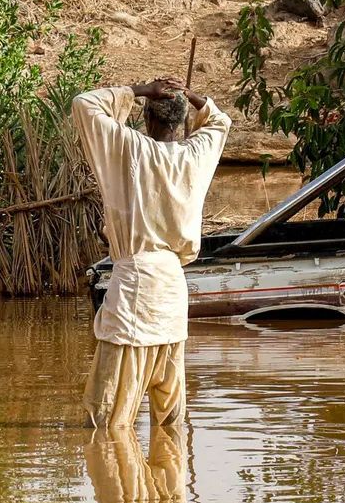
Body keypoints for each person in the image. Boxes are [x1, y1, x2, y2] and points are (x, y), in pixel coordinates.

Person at [71, 77, 231, 429]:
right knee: (170, 422)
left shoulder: (131, 149)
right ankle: (169, 482)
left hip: (136, 292)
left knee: (106, 421)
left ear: (149, 121)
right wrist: (193, 96)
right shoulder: (196, 153)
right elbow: (220, 121)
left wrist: (141, 90)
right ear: (182, 122)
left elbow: (85, 103)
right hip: (173, 293)